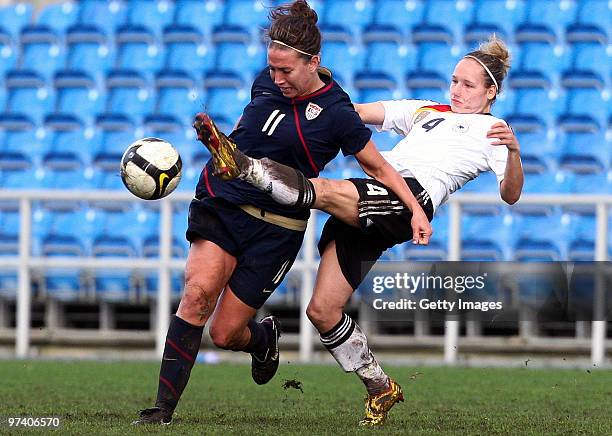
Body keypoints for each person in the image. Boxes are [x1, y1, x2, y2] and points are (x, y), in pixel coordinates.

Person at [196, 35, 523, 426]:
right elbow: (350, 112)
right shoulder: (425, 110)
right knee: (321, 311)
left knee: (327, 190)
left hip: (405, 201)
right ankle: (379, 384)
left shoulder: (494, 130)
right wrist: (304, 91)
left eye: (468, 85)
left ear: (491, 92)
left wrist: (515, 153)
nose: (456, 90)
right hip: (371, 204)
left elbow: (511, 195)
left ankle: (247, 168)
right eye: (454, 80)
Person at [133, 0, 431, 425]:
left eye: (286, 70)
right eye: (272, 69)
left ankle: (262, 338)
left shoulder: (337, 114)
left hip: (277, 230)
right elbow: (249, 130)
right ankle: (161, 410)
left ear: (314, 62)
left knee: (224, 333)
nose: (276, 78)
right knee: (197, 295)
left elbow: (378, 166)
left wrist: (414, 210)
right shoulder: (265, 83)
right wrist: (224, 146)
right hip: (224, 203)